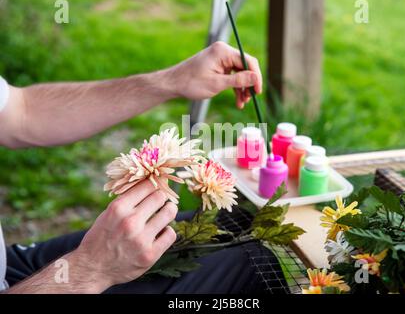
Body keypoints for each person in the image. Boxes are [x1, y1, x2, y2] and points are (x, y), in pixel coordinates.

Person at [0, 42, 269, 293]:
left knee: (237, 222)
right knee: (255, 264)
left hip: (9, 266)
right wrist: (91, 268)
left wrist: (173, 80)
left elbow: (22, 112)